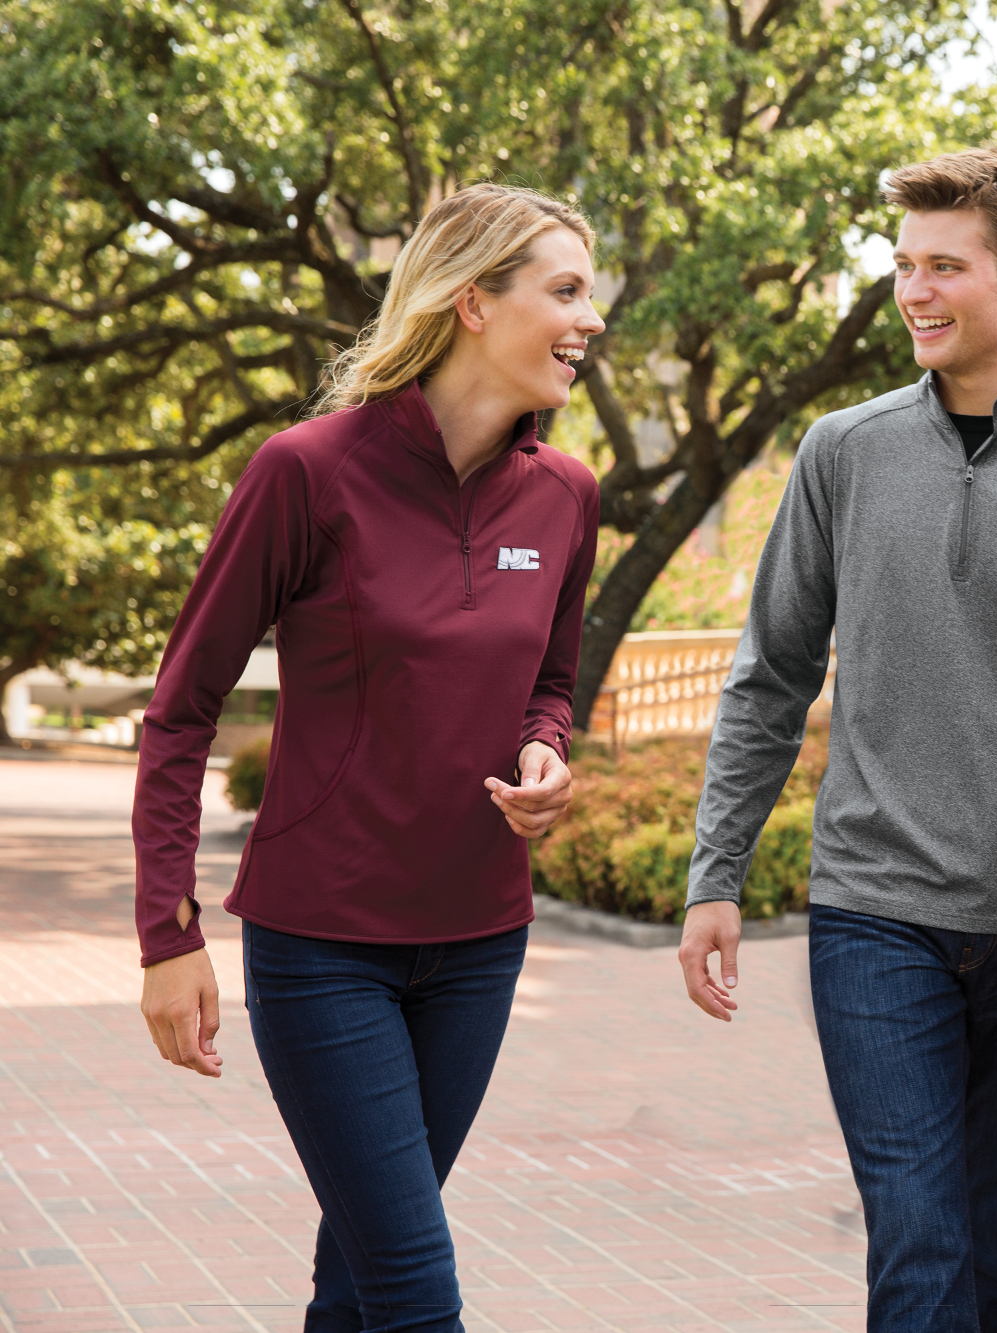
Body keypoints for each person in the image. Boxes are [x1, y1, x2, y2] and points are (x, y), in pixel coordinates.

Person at [675, 148, 997, 1332]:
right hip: (875, 912)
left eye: (943, 266)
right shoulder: (841, 452)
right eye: (904, 264)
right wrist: (718, 871)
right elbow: (770, 677)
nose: (913, 290)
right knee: (918, 1243)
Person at [133, 183, 603, 1333]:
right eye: (566, 290)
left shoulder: (568, 495)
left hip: (482, 944)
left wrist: (545, 754)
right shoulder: (306, 471)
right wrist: (167, 934)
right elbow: (180, 709)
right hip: (323, 945)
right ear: (472, 303)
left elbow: (550, 683)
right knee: (412, 1289)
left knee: (357, 1280)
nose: (591, 318)